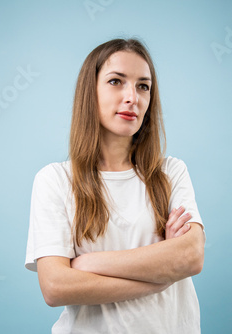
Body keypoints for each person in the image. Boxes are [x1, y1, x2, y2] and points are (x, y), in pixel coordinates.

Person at [25, 38, 206, 333]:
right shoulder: (54, 180)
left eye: (143, 86)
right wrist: (162, 273)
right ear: (90, 92)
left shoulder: (170, 172)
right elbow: (56, 286)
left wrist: (88, 263)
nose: (132, 97)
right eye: (116, 81)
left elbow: (190, 256)